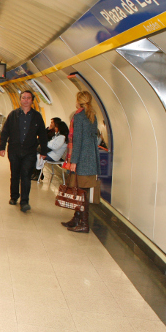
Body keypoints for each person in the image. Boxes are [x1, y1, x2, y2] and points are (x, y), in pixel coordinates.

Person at [0, 90, 48, 212]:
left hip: (29, 151)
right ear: (20, 100)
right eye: (23, 98)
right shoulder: (13, 115)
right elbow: (5, 131)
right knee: (15, 174)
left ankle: (24, 201)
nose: (26, 100)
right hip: (14, 150)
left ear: (32, 100)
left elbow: (42, 134)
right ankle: (14, 196)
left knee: (26, 175)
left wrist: (44, 151)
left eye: (28, 98)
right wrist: (2, 147)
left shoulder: (37, 116)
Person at [62, 91, 100, 233]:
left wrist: (74, 160)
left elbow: (77, 141)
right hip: (90, 159)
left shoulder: (78, 116)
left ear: (78, 101)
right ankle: (76, 219)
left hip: (81, 159)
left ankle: (84, 223)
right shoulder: (92, 115)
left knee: (81, 193)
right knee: (82, 191)